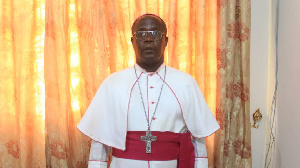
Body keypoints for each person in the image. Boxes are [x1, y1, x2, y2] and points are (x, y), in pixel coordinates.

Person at [77, 14, 220, 168]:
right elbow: (99, 150)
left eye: (155, 33)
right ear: (132, 42)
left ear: (165, 41)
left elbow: (198, 145)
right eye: (141, 34)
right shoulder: (112, 84)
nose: (148, 39)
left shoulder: (186, 83)